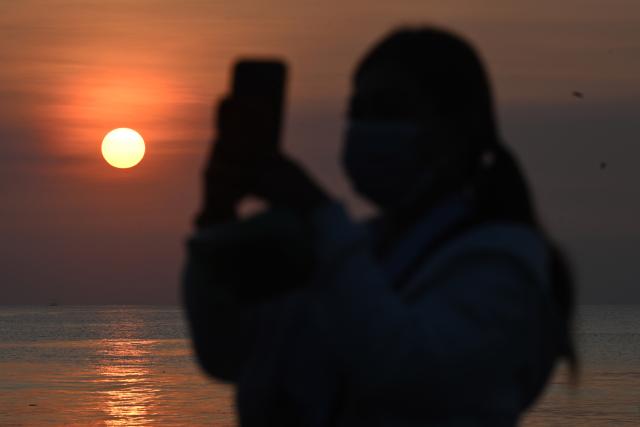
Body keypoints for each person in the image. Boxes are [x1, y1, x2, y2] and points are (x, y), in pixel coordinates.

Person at [183, 27, 577, 426]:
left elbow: (407, 373)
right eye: (357, 111)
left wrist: (317, 213)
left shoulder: (502, 269)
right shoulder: (352, 249)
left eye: (387, 109)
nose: (364, 126)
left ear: (454, 128)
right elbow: (227, 353)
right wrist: (217, 213)